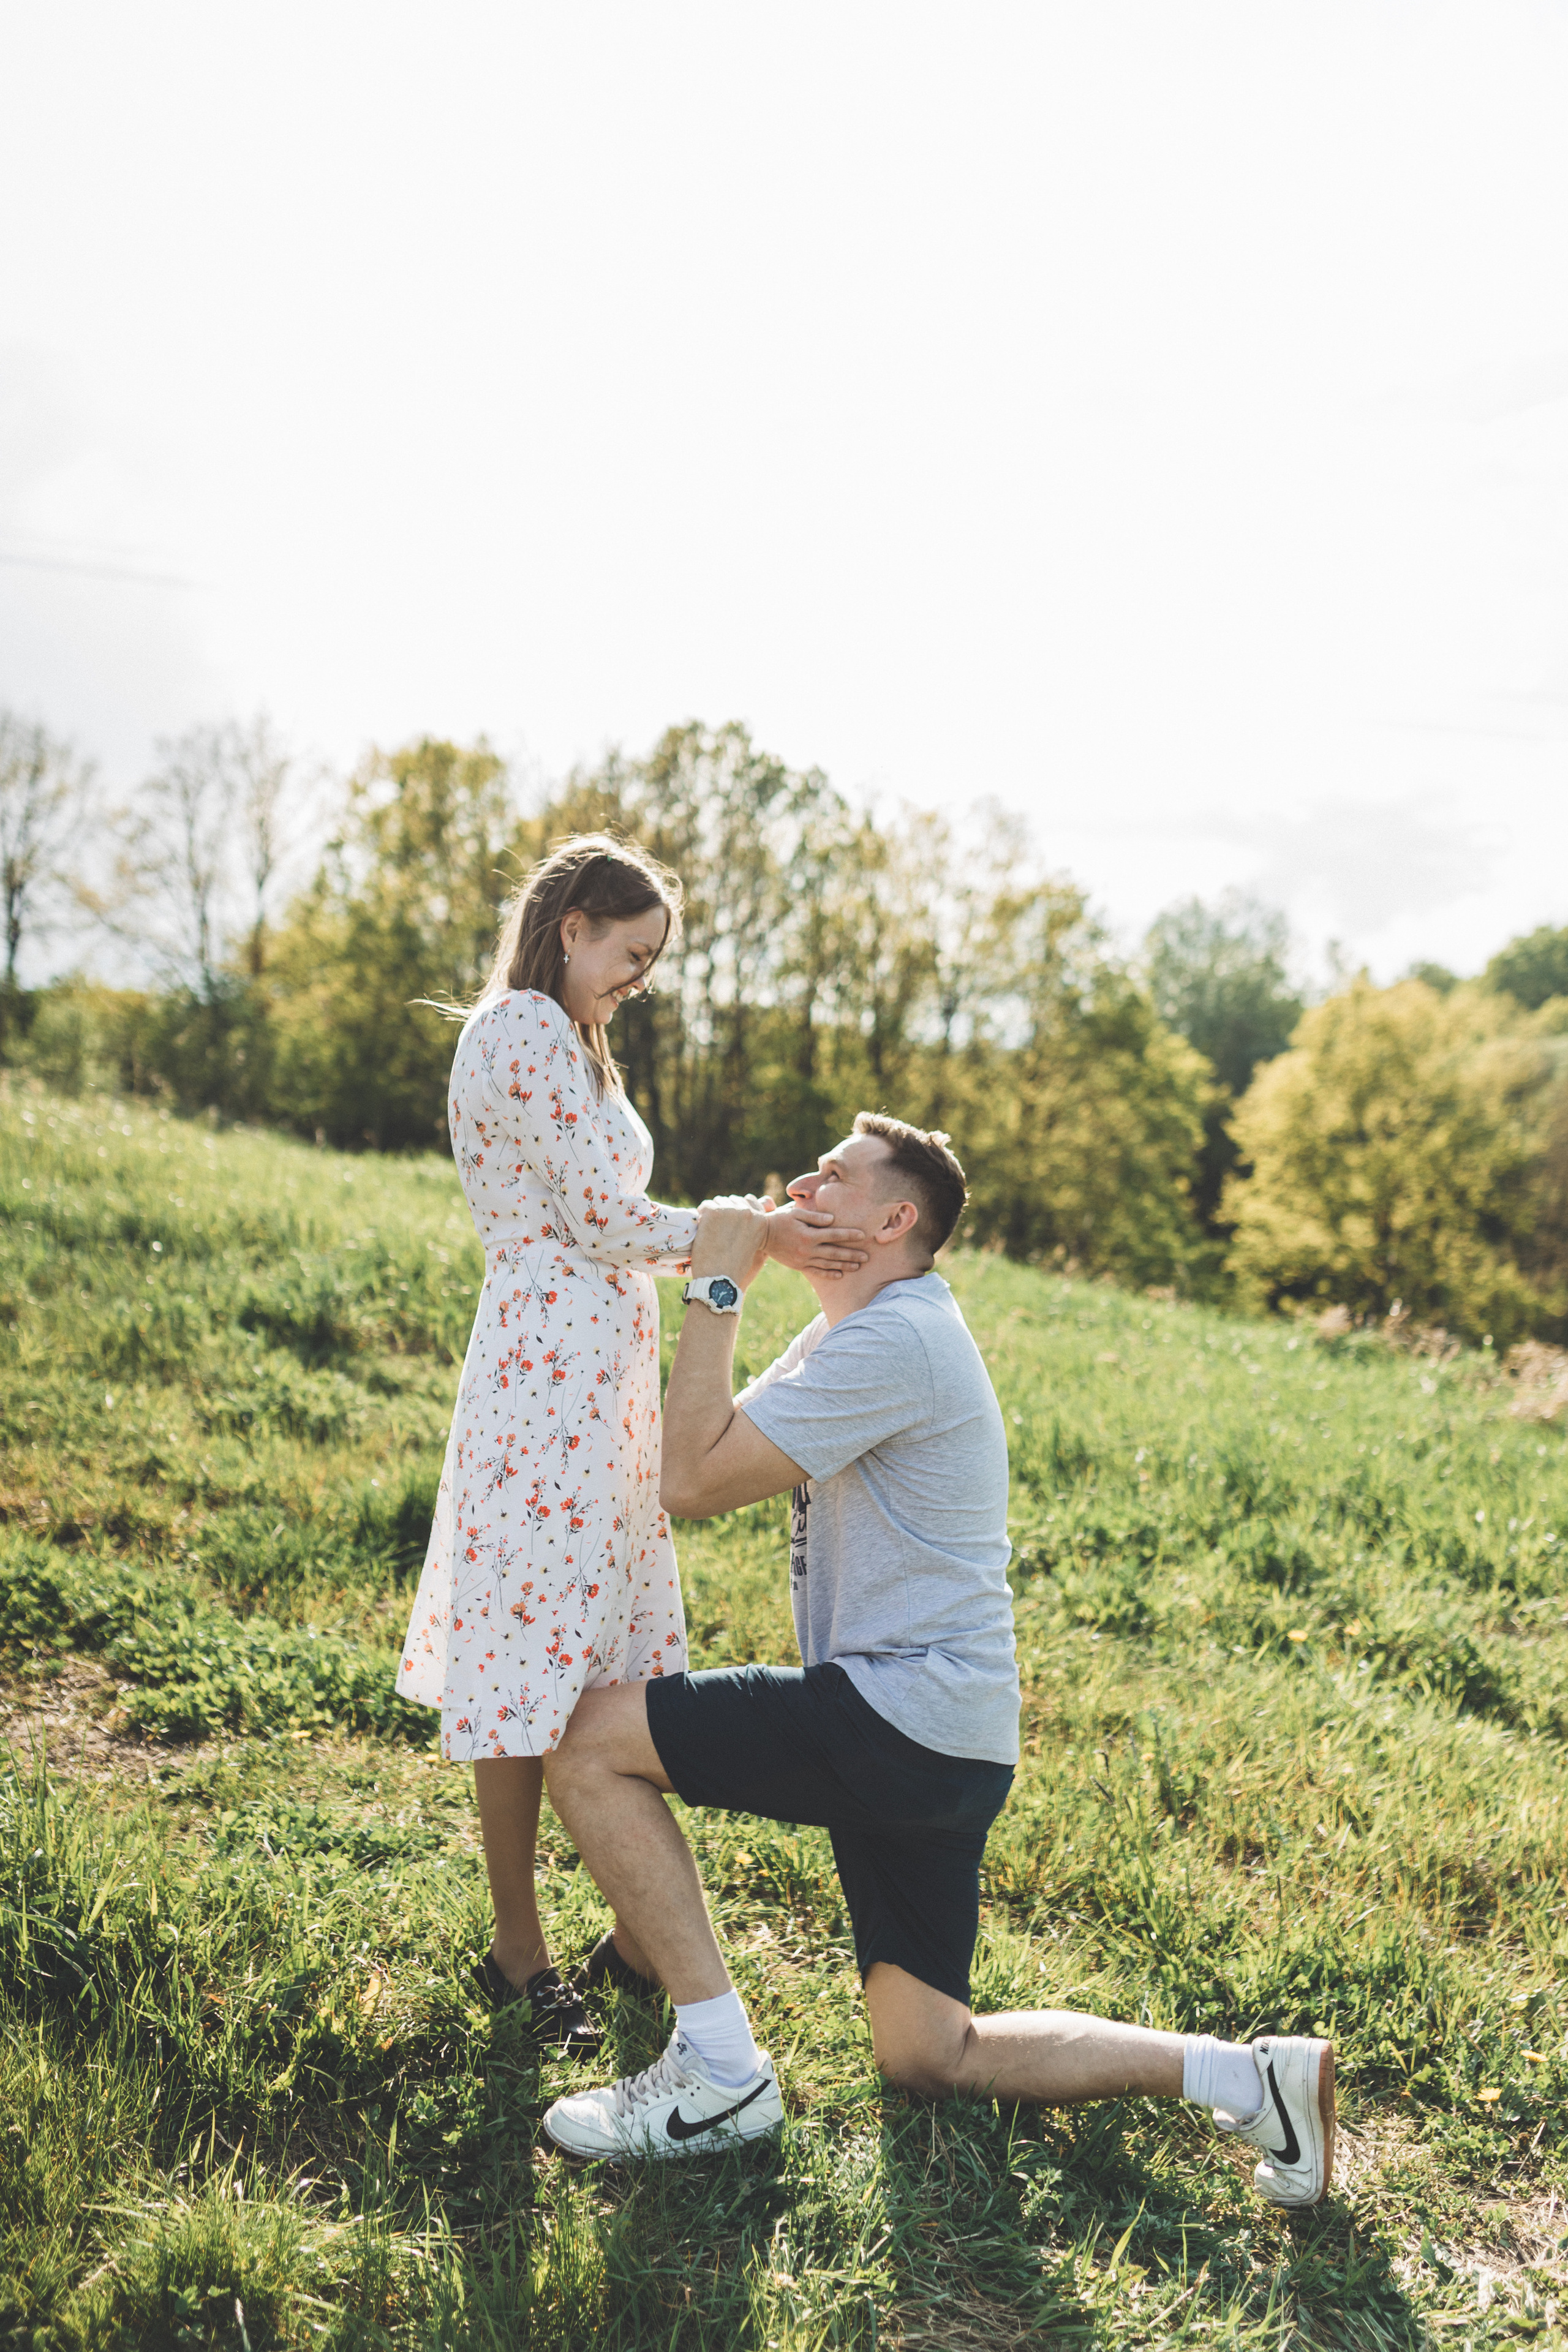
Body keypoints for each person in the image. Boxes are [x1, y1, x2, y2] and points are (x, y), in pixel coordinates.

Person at [539, 1114, 1336, 2207]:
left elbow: (692, 1482)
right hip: (951, 1741)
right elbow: (705, 1442)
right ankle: (1248, 2076)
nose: (799, 1185)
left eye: (832, 1178)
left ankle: (720, 2075)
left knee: (589, 1743)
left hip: (899, 1713)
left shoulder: (896, 1341)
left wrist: (720, 1284)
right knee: (931, 2052)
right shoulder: (861, 1332)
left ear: (893, 1221)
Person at [394, 837, 868, 2052]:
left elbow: (610, 1223)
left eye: (651, 963)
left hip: (593, 1386)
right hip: (541, 1385)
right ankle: (517, 1953)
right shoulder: (519, 1029)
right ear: (572, 927)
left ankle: (629, 1933)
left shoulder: (574, 1042)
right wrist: (748, 1237)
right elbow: (604, 1221)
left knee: (601, 1653)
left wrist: (736, 1238)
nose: (638, 980)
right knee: (525, 1665)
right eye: (631, 953)